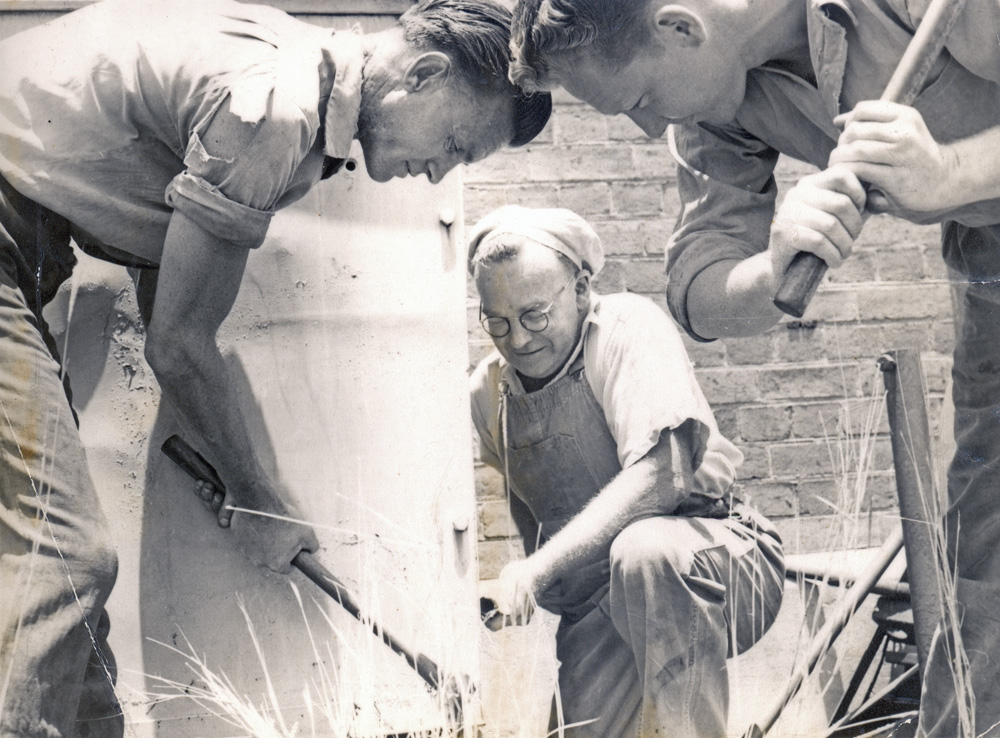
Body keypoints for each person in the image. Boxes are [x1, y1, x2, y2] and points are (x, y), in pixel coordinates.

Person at [0, 0, 551, 734]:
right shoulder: (276, 108)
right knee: (66, 556)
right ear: (423, 73)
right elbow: (180, 344)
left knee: (65, 590)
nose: (438, 172)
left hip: (25, 256)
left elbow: (174, 301)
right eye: (454, 142)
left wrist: (248, 483)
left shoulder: (295, 71)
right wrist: (260, 496)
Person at [508, 1, 1000, 735]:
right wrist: (770, 271)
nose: (645, 128)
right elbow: (700, 289)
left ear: (679, 27)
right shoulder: (715, 103)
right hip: (990, 263)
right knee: (985, 563)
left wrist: (951, 170)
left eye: (641, 99)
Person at [469, 205, 784, 738]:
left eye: (534, 315)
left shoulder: (625, 330)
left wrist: (537, 569)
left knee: (644, 550)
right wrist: (538, 590)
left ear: (582, 288)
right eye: (496, 321)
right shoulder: (488, 393)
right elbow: (527, 505)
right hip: (602, 596)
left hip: (717, 557)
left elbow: (664, 476)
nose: (518, 340)